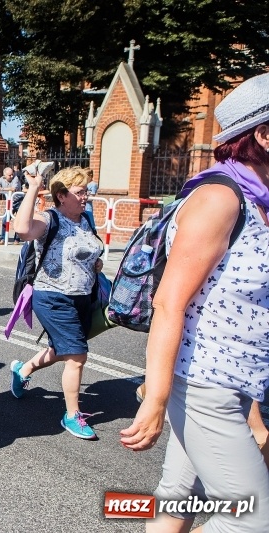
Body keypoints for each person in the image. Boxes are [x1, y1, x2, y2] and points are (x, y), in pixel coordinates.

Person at [120, 72, 269, 532]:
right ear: (262, 135)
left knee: (178, 497)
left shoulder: (262, 201)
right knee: (251, 518)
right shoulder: (220, 198)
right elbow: (170, 303)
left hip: (241, 378)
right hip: (206, 382)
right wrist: (157, 396)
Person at [10, 166, 103, 439]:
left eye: (86, 191)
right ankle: (72, 415)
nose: (86, 196)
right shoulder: (50, 219)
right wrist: (33, 187)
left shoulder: (86, 219)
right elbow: (22, 229)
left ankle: (23, 368)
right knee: (76, 355)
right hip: (52, 297)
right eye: (80, 192)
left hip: (83, 296)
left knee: (62, 350)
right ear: (62, 196)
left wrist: (94, 264)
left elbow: (87, 251)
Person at [0, 167, 23, 244]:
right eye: (9, 175)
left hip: (19, 201)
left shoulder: (15, 178)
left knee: (18, 220)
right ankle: (3, 239)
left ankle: (17, 239)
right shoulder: (1, 179)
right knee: (5, 220)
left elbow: (13, 189)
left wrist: (1, 188)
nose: (11, 176)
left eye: (12, 174)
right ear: (5, 175)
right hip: (9, 201)